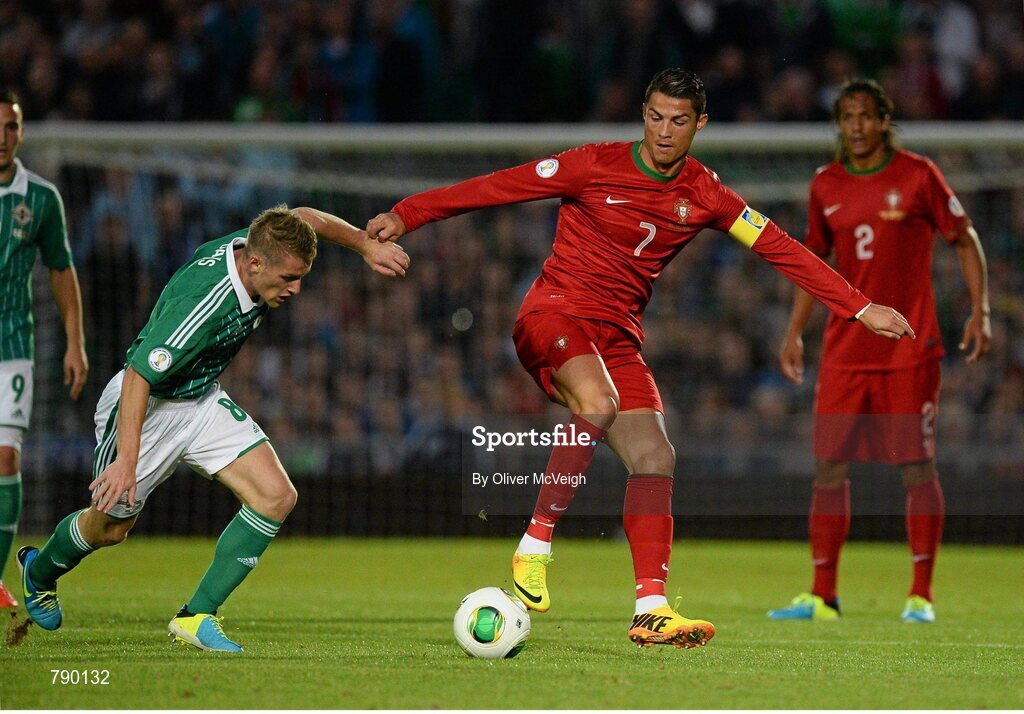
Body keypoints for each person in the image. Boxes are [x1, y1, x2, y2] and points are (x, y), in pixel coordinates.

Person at [367, 68, 914, 649]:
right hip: (552, 315)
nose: (663, 132)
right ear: (642, 114)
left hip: (617, 337)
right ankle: (534, 546)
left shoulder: (706, 193)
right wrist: (408, 213)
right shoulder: (593, 164)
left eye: (679, 121)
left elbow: (781, 248)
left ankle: (650, 608)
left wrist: (858, 308)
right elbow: (495, 187)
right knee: (599, 402)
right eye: (655, 116)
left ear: (699, 124)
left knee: (655, 454)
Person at [18, 205, 409, 651]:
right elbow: (137, 376)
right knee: (109, 529)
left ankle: (196, 615)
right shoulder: (204, 300)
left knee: (276, 496)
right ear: (255, 264)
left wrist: (362, 243)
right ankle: (40, 570)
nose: (296, 289)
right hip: (146, 408)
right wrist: (126, 461)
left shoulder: (261, 243)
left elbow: (305, 217)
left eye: (301, 277)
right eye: (288, 279)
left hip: (200, 398)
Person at [768, 78, 990, 624]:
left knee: (915, 465)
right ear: (839, 125)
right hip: (846, 348)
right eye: (848, 118)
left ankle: (921, 596)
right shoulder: (826, 184)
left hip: (908, 349)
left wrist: (980, 310)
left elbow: (964, 237)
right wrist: (795, 331)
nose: (858, 127)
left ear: (884, 120)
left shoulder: (918, 175)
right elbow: (812, 265)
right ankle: (823, 597)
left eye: (867, 116)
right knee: (828, 467)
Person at [0, 90, 88, 610]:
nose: (1, 137)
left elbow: (61, 270)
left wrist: (74, 341)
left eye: (10, 127)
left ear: (21, 132)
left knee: (7, 456)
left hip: (12, 342)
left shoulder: (40, 198)